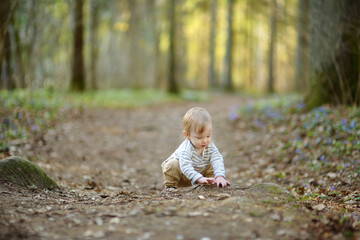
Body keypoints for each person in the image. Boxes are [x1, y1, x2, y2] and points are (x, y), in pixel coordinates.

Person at [161, 107, 231, 190]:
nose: (205, 141)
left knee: (213, 162)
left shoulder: (209, 145)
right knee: (172, 164)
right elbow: (185, 167)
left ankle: (210, 182)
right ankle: (170, 187)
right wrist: (199, 178)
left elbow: (217, 158)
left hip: (200, 174)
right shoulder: (186, 149)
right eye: (199, 138)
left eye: (208, 136)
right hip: (182, 176)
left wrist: (220, 176)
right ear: (187, 135)